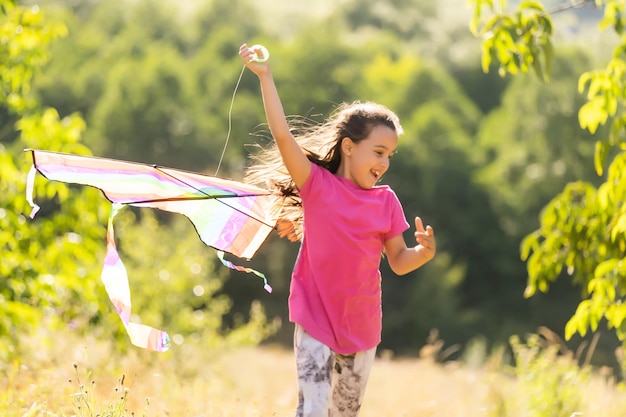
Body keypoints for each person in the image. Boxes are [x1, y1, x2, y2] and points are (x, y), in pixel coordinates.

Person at [239, 43, 436, 417]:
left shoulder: (385, 201)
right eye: (378, 152)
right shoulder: (316, 185)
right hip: (315, 318)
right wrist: (265, 77)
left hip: (362, 329)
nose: (384, 162)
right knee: (312, 410)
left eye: (390, 156)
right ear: (349, 147)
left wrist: (423, 254)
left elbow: (397, 260)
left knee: (342, 415)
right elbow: (283, 135)